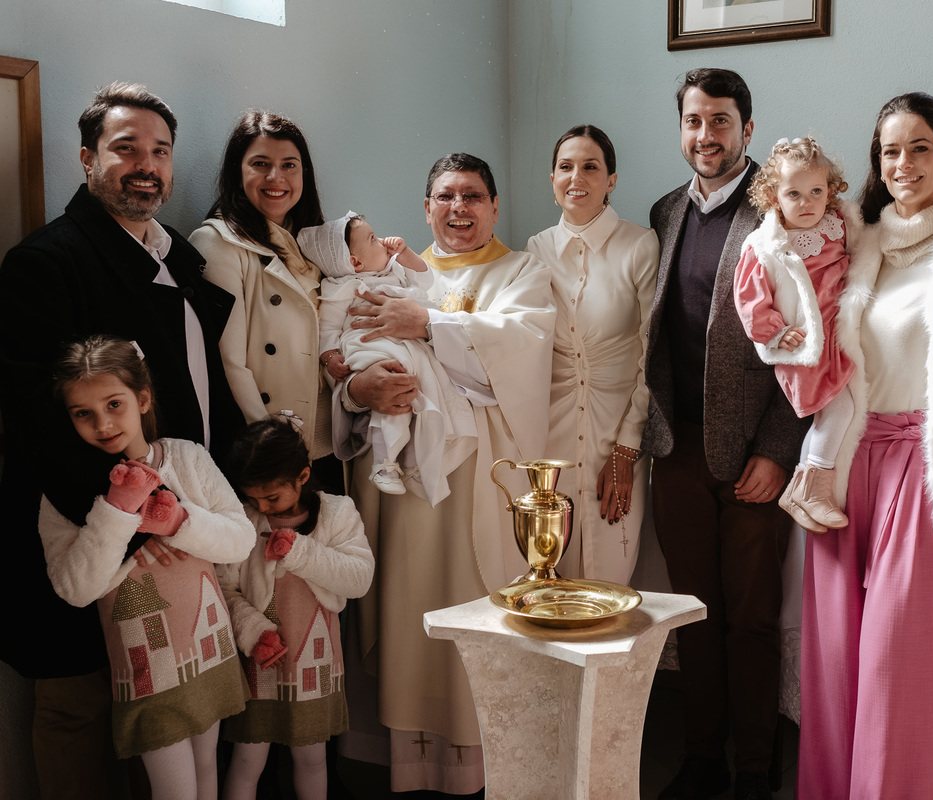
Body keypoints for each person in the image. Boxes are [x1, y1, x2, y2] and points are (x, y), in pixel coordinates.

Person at [0, 81, 242, 800]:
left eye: (161, 151)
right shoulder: (47, 263)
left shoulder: (179, 263)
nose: (147, 165)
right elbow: (41, 425)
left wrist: (191, 514)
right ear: (86, 159)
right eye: (125, 148)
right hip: (93, 531)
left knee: (176, 718)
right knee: (79, 709)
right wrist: (135, 524)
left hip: (178, 527)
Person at [798, 92, 933, 799]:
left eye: (919, 147)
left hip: (925, 468)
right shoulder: (858, 242)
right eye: (890, 150)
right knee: (833, 656)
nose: (904, 162)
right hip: (848, 457)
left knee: (898, 661)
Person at [337, 153, 554, 794]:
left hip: (478, 485)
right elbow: (351, 353)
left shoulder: (522, 273)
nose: (459, 208)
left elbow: (516, 362)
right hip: (407, 490)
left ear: (494, 206)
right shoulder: (396, 272)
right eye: (445, 196)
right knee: (410, 607)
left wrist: (428, 323)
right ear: (427, 206)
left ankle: (477, 772)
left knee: (471, 606)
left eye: (474, 196)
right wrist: (366, 384)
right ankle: (409, 766)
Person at [643, 68, 805, 800]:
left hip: (752, 458)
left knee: (752, 621)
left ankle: (752, 767)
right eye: (693, 121)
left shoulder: (784, 215)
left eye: (720, 121)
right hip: (675, 449)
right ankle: (702, 757)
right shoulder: (665, 210)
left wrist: (777, 450)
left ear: (747, 126)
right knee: (695, 617)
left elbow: (810, 344)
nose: (705, 136)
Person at [38, 336, 255, 800]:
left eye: (114, 404)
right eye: (83, 413)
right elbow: (75, 588)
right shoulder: (64, 491)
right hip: (149, 669)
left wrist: (180, 521)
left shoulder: (188, 457)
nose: (103, 423)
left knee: (206, 775)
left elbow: (241, 539)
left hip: (210, 648)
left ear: (142, 398)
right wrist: (118, 510)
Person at [525, 124, 659, 583]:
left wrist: (626, 452)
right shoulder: (536, 250)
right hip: (551, 438)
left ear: (612, 179)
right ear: (552, 178)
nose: (576, 177)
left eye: (590, 166)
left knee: (609, 583)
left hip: (617, 436)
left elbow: (650, 356)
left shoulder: (640, 245)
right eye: (566, 167)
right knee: (550, 577)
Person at [218, 417, 374, 800]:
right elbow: (226, 588)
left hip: (313, 667)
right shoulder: (245, 519)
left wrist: (300, 551)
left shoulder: (337, 514)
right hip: (262, 661)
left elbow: (358, 578)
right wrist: (253, 633)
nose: (262, 507)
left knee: (313, 759)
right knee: (247, 761)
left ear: (302, 476)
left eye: (272, 498)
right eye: (253, 498)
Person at [190, 111, 336, 482]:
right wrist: (272, 446)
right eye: (261, 164)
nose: (277, 178)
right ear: (237, 172)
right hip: (267, 444)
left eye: (289, 165)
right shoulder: (217, 242)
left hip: (329, 438)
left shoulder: (316, 244)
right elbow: (229, 362)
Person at [298, 211, 475, 501]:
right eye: (372, 239)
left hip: (407, 343)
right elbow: (328, 326)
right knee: (393, 393)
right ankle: (385, 463)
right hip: (369, 344)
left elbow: (425, 278)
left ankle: (423, 452)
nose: (381, 241)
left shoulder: (394, 269)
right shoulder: (341, 287)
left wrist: (404, 253)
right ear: (355, 263)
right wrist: (330, 358)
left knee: (420, 388)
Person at [733, 136, 857, 531]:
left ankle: (806, 487)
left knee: (849, 408)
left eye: (816, 192)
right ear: (774, 196)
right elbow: (750, 300)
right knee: (838, 409)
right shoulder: (765, 246)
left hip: (837, 340)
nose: (807, 203)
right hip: (803, 345)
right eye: (795, 194)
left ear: (830, 192)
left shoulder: (838, 226)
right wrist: (776, 332)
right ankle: (810, 486)